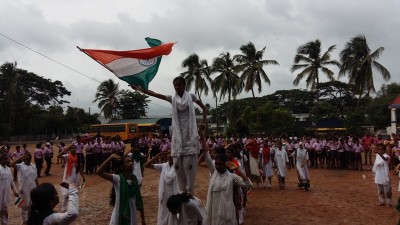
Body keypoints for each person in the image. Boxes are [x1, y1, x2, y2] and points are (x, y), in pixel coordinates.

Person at [132, 76, 208, 195]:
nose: (177, 87)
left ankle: (191, 194)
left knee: (190, 167)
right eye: (175, 85)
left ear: (184, 85)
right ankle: (181, 194)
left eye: (179, 85)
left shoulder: (191, 97)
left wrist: (203, 123)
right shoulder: (172, 98)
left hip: (190, 138)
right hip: (177, 139)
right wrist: (139, 88)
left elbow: (204, 108)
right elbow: (154, 94)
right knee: (178, 168)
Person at [199, 128, 252, 225]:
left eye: (220, 164)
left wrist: (238, 170)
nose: (218, 166)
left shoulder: (232, 177)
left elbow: (248, 184)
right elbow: (206, 155)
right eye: (217, 164)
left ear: (226, 164)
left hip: (226, 214)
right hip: (213, 212)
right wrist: (202, 137)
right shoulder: (214, 172)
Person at [97, 153, 146, 225]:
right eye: (128, 162)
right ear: (122, 167)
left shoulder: (136, 180)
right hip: (119, 213)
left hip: (132, 214)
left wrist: (142, 219)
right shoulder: (118, 179)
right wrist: (110, 158)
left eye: (131, 161)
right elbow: (99, 172)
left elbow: (139, 199)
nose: (131, 163)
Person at [145, 152, 178, 225]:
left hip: (173, 194)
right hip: (164, 194)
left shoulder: (178, 167)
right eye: (169, 155)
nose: (170, 157)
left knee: (172, 213)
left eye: (172, 156)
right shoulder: (163, 166)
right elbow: (146, 165)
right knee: (163, 212)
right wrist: (156, 157)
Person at [10, 153, 38, 225]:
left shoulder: (33, 166)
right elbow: (11, 164)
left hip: (32, 188)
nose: (28, 160)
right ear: (24, 159)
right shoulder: (20, 166)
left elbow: (35, 177)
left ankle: (29, 219)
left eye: (29, 159)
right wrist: (19, 158)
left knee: (31, 204)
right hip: (22, 189)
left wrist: (38, 186)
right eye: (26, 159)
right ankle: (24, 220)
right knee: (22, 205)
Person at [57, 146, 85, 212]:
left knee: (75, 191)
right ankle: (63, 207)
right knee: (67, 192)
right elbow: (58, 156)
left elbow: (80, 167)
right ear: (69, 150)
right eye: (72, 148)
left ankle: (74, 206)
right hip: (69, 176)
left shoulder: (78, 156)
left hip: (76, 175)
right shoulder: (67, 156)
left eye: (74, 148)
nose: (73, 149)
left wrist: (83, 177)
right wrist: (65, 149)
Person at [0, 151, 19, 225]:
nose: (7, 160)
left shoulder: (8, 169)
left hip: (7, 194)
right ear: (0, 159)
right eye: (5, 159)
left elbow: (11, 181)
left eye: (7, 159)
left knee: (5, 210)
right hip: (0, 194)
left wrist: (15, 191)